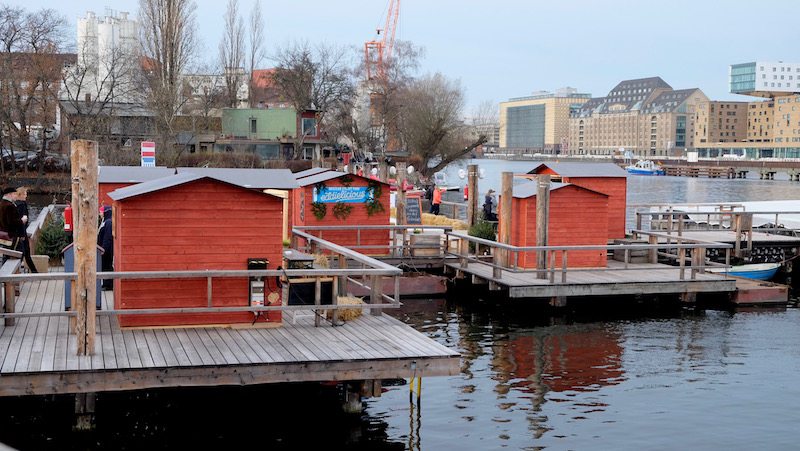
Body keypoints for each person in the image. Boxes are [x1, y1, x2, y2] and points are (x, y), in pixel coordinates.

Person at [14, 187, 38, 273]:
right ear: (19, 195)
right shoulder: (21, 205)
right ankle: (34, 272)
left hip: (20, 232)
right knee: (23, 253)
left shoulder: (16, 204)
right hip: (21, 233)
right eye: (24, 194)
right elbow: (21, 220)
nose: (26, 196)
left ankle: (34, 272)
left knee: (24, 253)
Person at [97, 205, 114, 290]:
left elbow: (107, 237)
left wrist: (104, 248)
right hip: (103, 248)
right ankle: (105, 283)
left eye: (100, 212)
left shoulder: (108, 222)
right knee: (104, 266)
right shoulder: (105, 221)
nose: (99, 213)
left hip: (106, 250)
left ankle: (108, 285)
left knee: (107, 266)